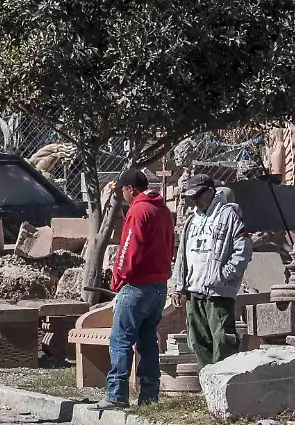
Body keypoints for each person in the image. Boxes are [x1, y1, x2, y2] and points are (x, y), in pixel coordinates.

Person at [99, 168, 175, 410]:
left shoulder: (138, 211)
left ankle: (116, 395)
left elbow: (128, 249)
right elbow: (170, 245)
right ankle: (149, 396)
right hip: (159, 286)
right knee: (148, 340)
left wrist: (117, 279)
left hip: (137, 286)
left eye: (122, 189)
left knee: (120, 340)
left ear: (131, 189)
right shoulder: (162, 211)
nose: (122, 194)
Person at [172, 173, 250, 366]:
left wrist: (223, 276)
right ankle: (207, 387)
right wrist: (179, 285)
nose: (195, 200)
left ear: (211, 191)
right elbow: (182, 254)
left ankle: (225, 386)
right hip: (193, 291)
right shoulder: (191, 221)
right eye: (192, 196)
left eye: (198, 194)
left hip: (218, 293)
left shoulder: (229, 216)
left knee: (223, 340)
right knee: (198, 342)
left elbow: (243, 250)